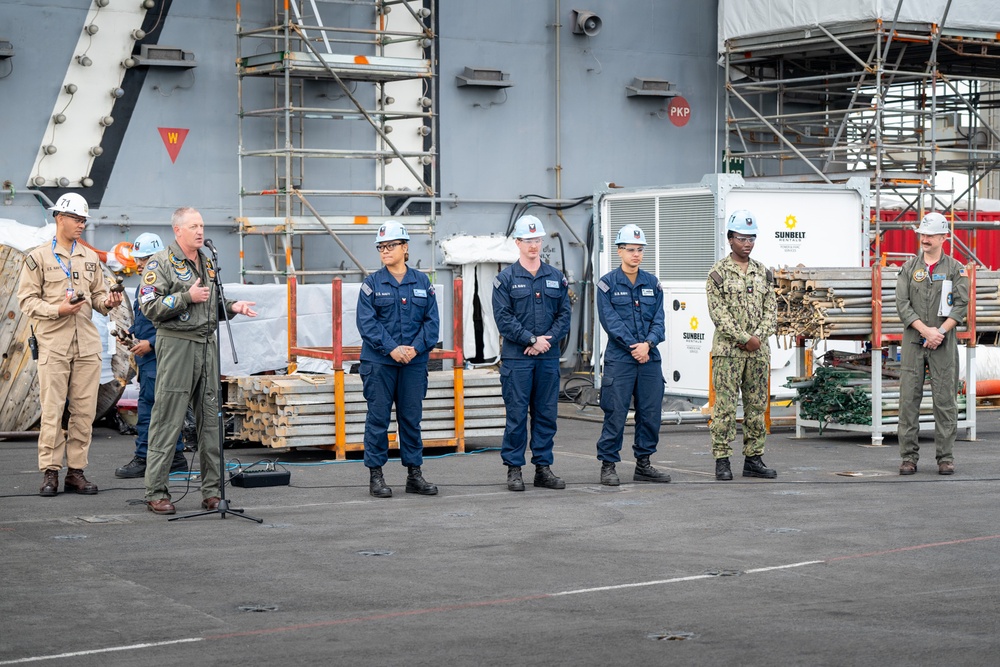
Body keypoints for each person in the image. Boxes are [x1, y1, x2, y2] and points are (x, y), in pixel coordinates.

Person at [139, 207, 258, 515]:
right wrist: (185, 298)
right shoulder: (160, 263)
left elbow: (212, 303)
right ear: (178, 230)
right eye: (193, 226)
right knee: (168, 418)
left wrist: (234, 306)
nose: (200, 231)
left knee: (210, 420)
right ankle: (156, 491)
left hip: (207, 344)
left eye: (202, 225)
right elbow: (149, 305)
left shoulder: (206, 261)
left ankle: (212, 491)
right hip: (177, 344)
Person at [17, 192, 124, 496]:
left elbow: (100, 299)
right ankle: (50, 472)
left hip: (87, 345)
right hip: (54, 344)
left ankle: (76, 472)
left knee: (83, 411)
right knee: (52, 411)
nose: (81, 224)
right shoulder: (38, 258)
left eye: (83, 220)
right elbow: (26, 301)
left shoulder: (90, 258)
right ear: (59, 218)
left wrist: (109, 301)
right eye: (77, 219)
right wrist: (57, 310)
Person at [356, 222, 440, 498]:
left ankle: (414, 475)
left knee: (411, 419)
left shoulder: (422, 283)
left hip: (413, 364)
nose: (384, 251)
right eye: (381, 247)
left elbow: (432, 323)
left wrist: (414, 349)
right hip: (380, 363)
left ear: (405, 248)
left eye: (390, 246)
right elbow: (367, 324)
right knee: (378, 419)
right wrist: (391, 348)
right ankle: (376, 476)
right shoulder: (371, 285)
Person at [492, 215, 572, 491]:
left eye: (537, 240)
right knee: (516, 415)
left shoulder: (555, 278)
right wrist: (531, 339)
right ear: (517, 243)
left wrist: (544, 342)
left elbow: (564, 315)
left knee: (546, 413)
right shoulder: (505, 279)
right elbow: (503, 318)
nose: (534, 246)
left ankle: (543, 468)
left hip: (547, 358)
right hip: (518, 359)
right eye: (528, 240)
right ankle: (514, 469)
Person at [594, 224, 671, 486]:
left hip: (649, 358)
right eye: (630, 250)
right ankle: (608, 465)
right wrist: (634, 347)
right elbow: (611, 322)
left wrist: (647, 345)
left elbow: (659, 322)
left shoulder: (653, 284)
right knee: (615, 412)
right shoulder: (606, 284)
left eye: (640, 250)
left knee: (650, 414)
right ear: (619, 251)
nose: (636, 254)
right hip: (621, 359)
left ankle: (644, 464)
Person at [706, 209, 777, 481]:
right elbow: (718, 313)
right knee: (724, 407)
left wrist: (758, 337)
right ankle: (722, 460)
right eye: (741, 238)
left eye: (751, 238)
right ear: (730, 239)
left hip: (759, 352)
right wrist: (745, 338)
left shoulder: (763, 273)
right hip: (729, 352)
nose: (747, 243)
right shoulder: (718, 273)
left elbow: (771, 310)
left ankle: (753, 458)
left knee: (756, 407)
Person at [895, 212, 969, 476]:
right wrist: (925, 330)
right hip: (915, 341)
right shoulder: (909, 268)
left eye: (929, 235)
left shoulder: (955, 269)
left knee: (945, 401)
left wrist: (939, 332)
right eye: (922, 235)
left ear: (943, 237)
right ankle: (908, 458)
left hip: (943, 344)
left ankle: (945, 458)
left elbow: (961, 305)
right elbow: (902, 305)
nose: (924, 239)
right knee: (908, 401)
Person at [113, 233, 187, 479]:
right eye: (139, 259)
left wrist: (151, 344)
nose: (141, 264)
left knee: (153, 409)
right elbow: (145, 320)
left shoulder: (168, 282)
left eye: (144, 258)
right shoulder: (146, 285)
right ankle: (175, 458)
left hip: (160, 357)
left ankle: (145, 458)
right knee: (159, 408)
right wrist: (130, 334)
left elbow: (179, 322)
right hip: (148, 360)